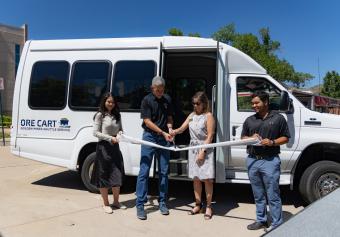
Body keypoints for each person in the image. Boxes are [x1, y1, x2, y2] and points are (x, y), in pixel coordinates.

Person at [241, 91, 290, 230]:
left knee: (273, 194)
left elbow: (286, 137)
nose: (254, 105)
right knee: (258, 194)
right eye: (252, 103)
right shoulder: (250, 120)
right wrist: (251, 138)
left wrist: (272, 142)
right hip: (252, 160)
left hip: (270, 161)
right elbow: (242, 138)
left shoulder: (278, 118)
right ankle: (261, 220)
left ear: (266, 102)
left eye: (257, 102)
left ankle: (276, 224)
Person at [171, 91, 215, 220]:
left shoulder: (208, 116)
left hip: (204, 148)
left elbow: (210, 135)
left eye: (198, 103)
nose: (195, 106)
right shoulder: (191, 115)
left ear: (204, 104)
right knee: (196, 178)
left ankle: (208, 206)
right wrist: (173, 132)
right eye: (193, 103)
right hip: (193, 148)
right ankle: (197, 204)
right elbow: (181, 129)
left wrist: (203, 151)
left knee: (206, 179)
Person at [136, 76, 174, 220]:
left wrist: (170, 128)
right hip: (150, 136)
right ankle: (140, 204)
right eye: (157, 90)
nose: (160, 93)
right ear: (152, 88)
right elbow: (147, 121)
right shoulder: (146, 100)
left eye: (162, 90)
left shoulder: (167, 99)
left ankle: (163, 202)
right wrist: (162, 132)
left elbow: (169, 117)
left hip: (164, 138)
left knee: (164, 171)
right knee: (144, 170)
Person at [91, 92, 127, 214]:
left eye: (112, 102)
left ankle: (116, 202)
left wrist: (119, 134)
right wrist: (110, 138)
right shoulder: (100, 115)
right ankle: (105, 204)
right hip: (104, 148)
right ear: (104, 102)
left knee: (116, 173)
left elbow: (121, 129)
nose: (110, 104)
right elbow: (95, 133)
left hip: (115, 147)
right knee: (104, 175)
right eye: (108, 102)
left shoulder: (118, 115)